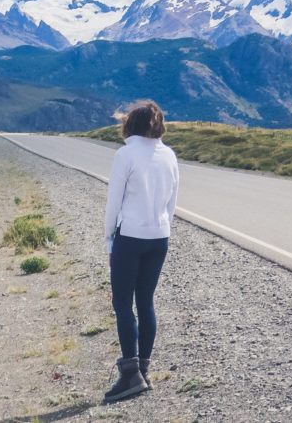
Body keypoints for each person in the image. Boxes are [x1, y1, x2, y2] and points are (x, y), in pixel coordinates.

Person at [102, 100, 179, 403]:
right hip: (159, 237)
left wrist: (109, 240)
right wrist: (161, 227)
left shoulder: (125, 155)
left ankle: (130, 374)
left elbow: (113, 203)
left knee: (122, 303)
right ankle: (143, 370)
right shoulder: (169, 155)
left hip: (130, 237)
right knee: (145, 302)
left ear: (130, 124)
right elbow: (172, 203)